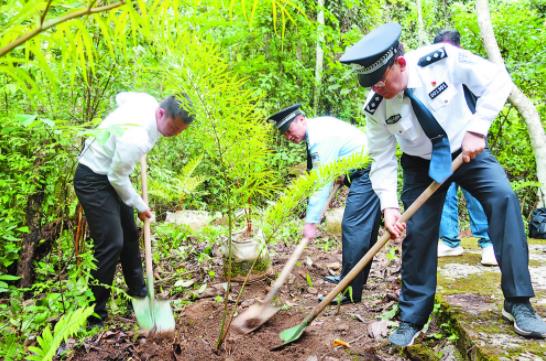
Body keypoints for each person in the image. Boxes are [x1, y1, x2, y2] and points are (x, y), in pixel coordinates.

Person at [340, 23, 546, 346]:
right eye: (373, 86)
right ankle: (411, 317)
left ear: (401, 63)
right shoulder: (376, 107)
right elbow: (382, 160)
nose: (378, 90)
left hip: (466, 149)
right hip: (421, 166)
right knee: (417, 233)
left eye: (383, 82)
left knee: (504, 199)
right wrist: (390, 208)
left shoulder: (443, 59)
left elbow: (497, 81)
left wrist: (478, 128)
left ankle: (518, 303)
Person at [74, 92, 194, 327]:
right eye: (174, 127)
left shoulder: (147, 102)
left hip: (111, 176)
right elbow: (117, 178)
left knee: (130, 235)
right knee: (112, 243)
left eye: (181, 131)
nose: (175, 133)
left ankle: (139, 294)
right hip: (93, 179)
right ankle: (94, 315)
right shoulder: (136, 138)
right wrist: (140, 205)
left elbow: (120, 97)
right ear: (161, 113)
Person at [268, 104, 381, 304]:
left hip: (368, 172)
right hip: (361, 169)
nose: (288, 137)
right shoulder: (317, 129)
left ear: (301, 119)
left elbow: (321, 182)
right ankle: (352, 280)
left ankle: (349, 291)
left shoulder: (320, 138)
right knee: (363, 229)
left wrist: (311, 221)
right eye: (284, 134)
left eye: (289, 130)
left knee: (354, 227)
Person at [433, 30, 496, 266]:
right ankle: (450, 242)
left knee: (476, 193)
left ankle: (488, 243)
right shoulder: (433, 74)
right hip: (442, 145)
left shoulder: (471, 67)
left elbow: (489, 98)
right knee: (444, 191)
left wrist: (478, 132)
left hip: (471, 141)